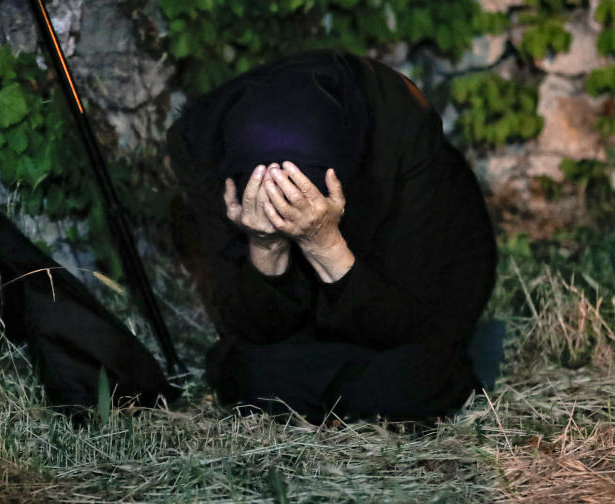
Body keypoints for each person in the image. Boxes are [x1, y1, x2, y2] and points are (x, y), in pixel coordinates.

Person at [167, 49, 499, 420]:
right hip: (303, 337)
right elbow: (251, 328)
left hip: (404, 309)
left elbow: (411, 319)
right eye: (271, 189)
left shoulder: (401, 149)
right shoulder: (219, 155)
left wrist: (323, 243)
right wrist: (266, 245)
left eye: (297, 188)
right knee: (248, 374)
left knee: (407, 382)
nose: (287, 204)